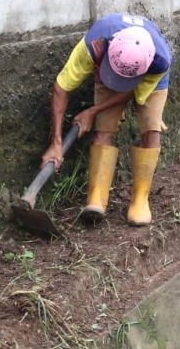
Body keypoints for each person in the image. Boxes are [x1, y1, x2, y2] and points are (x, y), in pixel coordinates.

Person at [41, 13, 172, 227]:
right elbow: (61, 87)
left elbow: (135, 93)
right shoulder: (96, 44)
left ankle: (140, 199)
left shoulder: (159, 61)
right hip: (106, 68)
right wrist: (56, 142)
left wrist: (92, 111)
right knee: (103, 129)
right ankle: (96, 198)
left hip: (149, 81)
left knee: (151, 128)